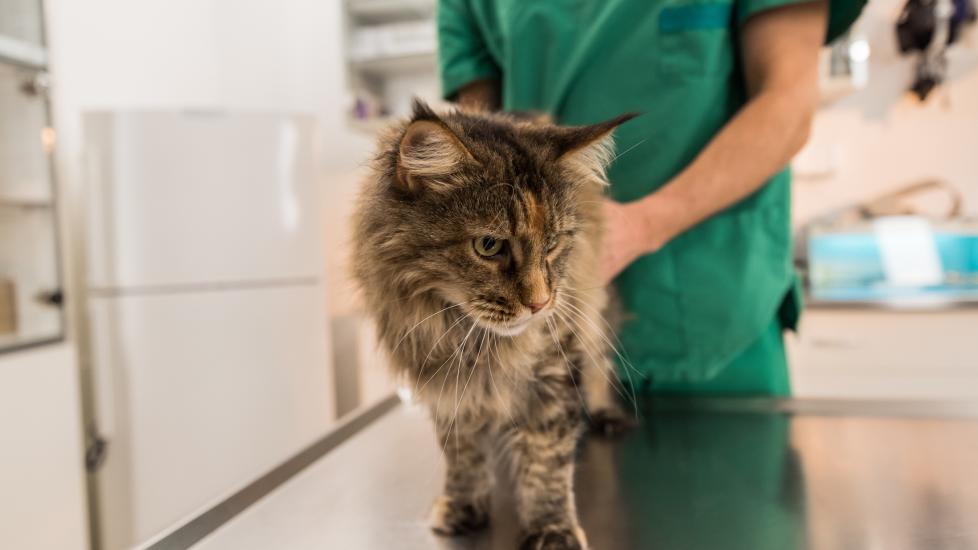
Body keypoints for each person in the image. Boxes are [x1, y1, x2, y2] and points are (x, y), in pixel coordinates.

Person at [438, 0, 866, 395]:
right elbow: (480, 136)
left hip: (713, 317)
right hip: (538, 339)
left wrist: (642, 225)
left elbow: (787, 100)